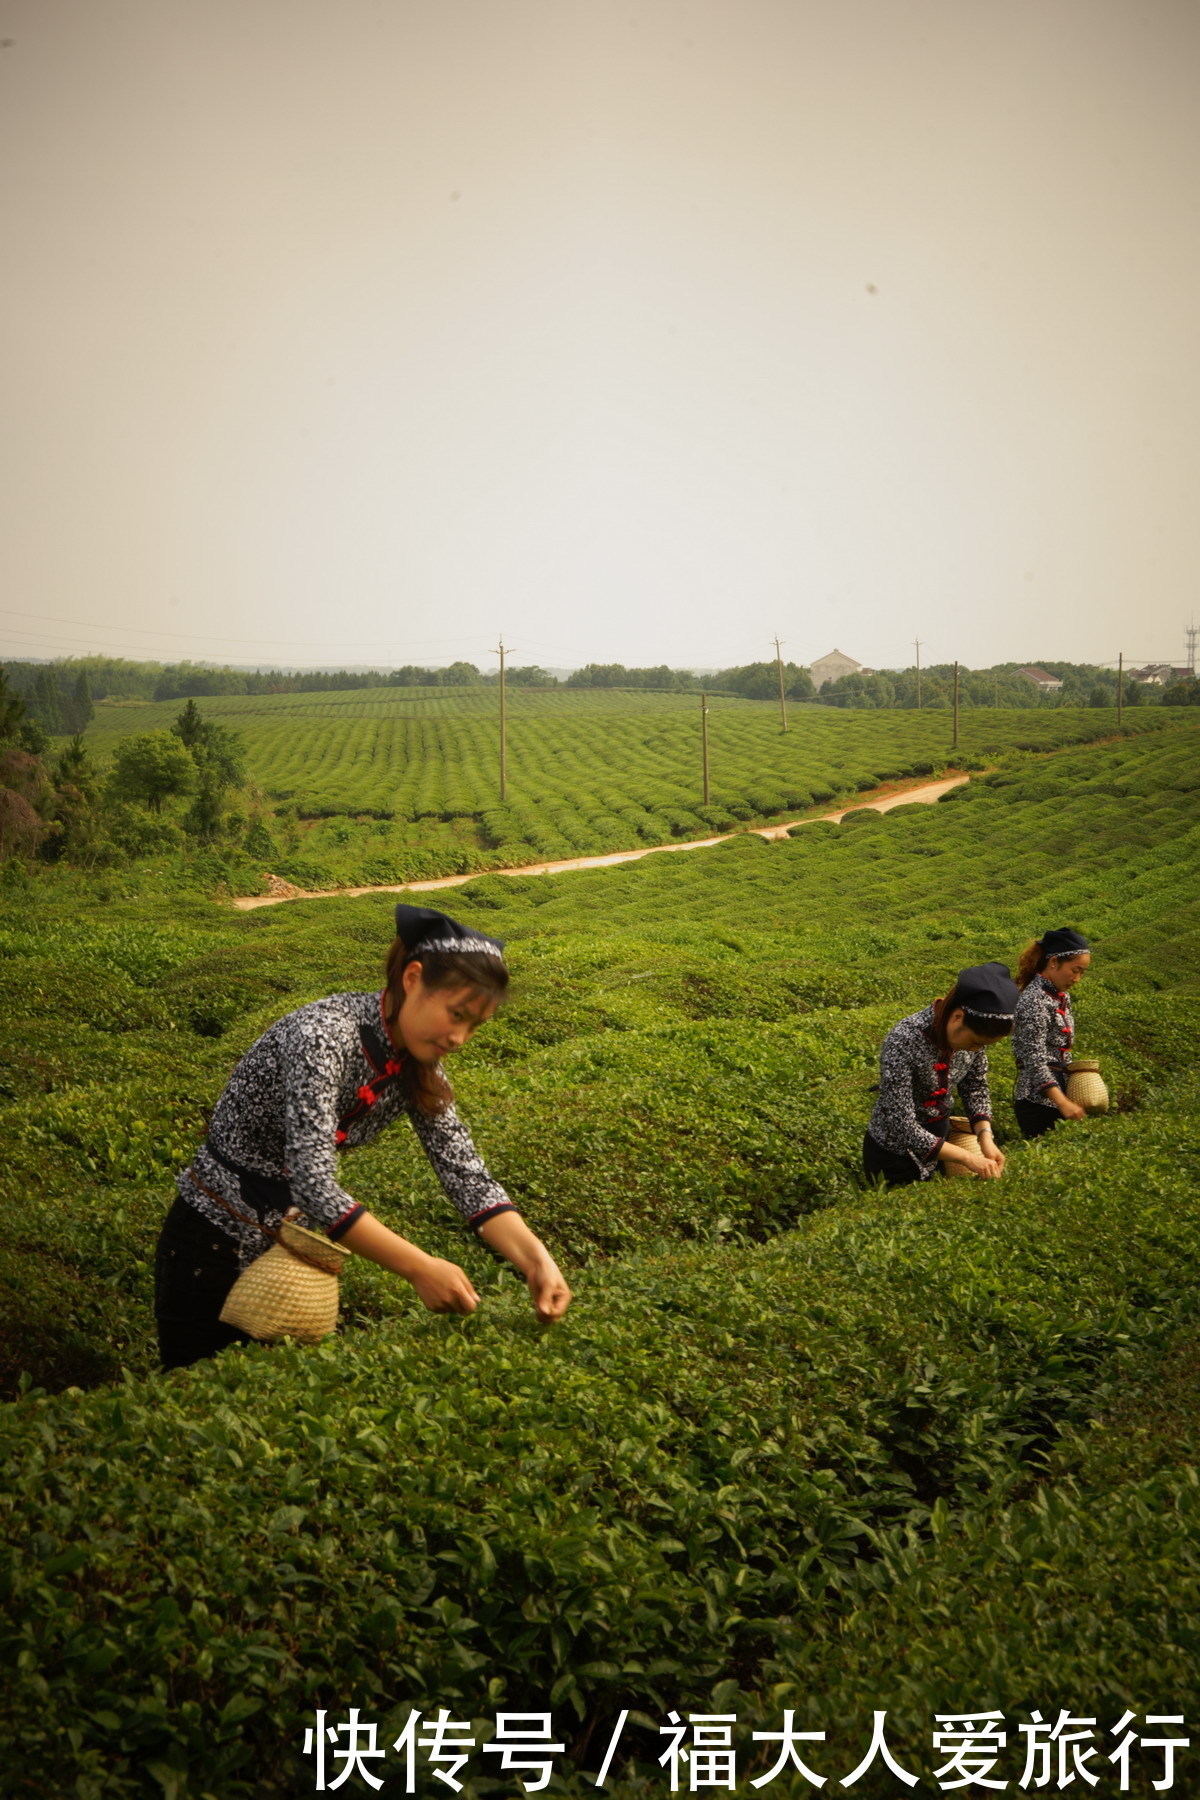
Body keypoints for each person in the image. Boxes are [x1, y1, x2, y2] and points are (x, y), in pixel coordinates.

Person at [154, 903, 571, 1370]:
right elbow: (315, 1183)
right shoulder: (325, 1035)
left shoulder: (417, 1066)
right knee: (192, 1391)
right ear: (412, 978)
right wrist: (419, 1268)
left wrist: (535, 1259)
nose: (459, 1037)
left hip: (290, 1255)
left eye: (474, 1025)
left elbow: (466, 1175)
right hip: (212, 1240)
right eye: (456, 1014)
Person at [863, 962, 1018, 1187]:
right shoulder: (904, 1039)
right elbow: (901, 1123)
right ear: (957, 1017)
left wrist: (985, 1137)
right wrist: (966, 1157)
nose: (976, 1050)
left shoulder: (974, 1039)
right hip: (893, 1154)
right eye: (975, 1042)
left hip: (940, 1143)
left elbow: (975, 1086)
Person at [1012, 927, 1092, 1138]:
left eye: (1082, 972)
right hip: (1038, 1102)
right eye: (1075, 970)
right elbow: (1034, 1058)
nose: (1077, 979)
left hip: (1061, 1095)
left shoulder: (1061, 996)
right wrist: (1061, 1101)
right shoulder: (1034, 999)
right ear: (1054, 962)